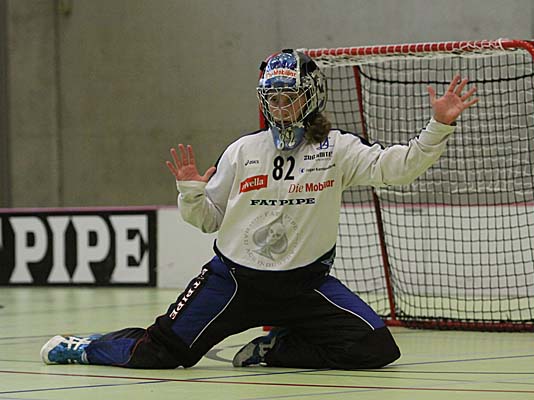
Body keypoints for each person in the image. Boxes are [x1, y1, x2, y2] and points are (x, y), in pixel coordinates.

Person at [40, 49, 477, 369]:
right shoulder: (243, 151)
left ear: (311, 98)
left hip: (306, 285)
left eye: (290, 97)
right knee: (161, 354)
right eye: (273, 99)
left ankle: (275, 348)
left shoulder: (338, 149)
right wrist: (191, 193)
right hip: (233, 283)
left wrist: (438, 125)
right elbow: (208, 221)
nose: (280, 108)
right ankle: (84, 348)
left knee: (376, 348)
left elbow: (398, 168)